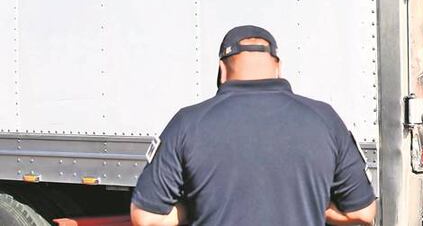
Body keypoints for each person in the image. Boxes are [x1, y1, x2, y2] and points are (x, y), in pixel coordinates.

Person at [130, 26, 377, 226]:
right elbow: (363, 213)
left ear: (222, 71)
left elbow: (147, 217)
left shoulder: (188, 123)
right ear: (278, 68)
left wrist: (192, 208)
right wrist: (318, 206)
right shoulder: (324, 119)